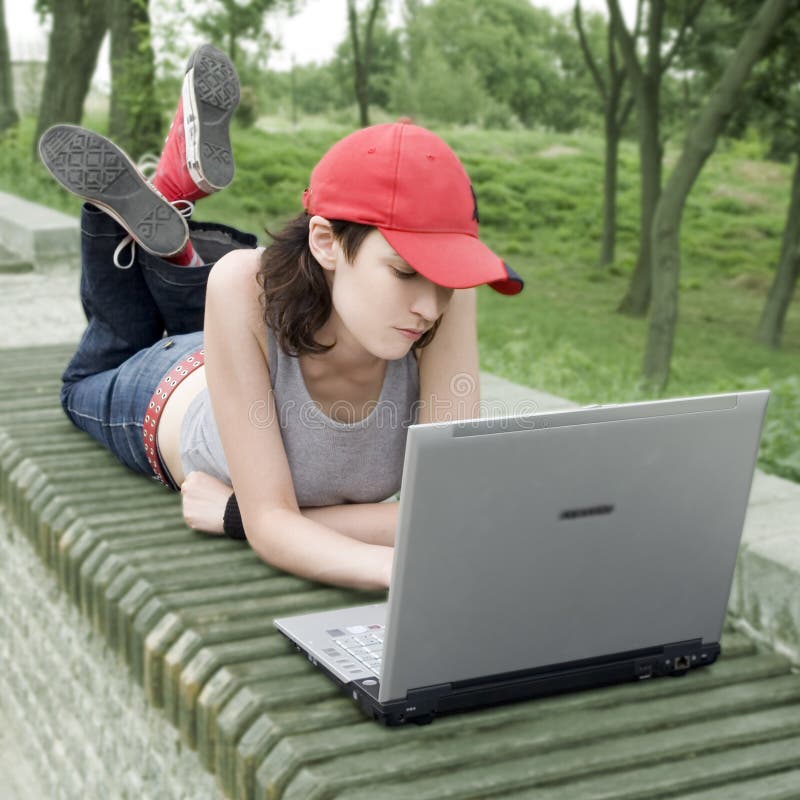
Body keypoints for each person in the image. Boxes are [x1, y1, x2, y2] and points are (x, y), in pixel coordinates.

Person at [39, 44, 524, 592]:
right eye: (406, 272)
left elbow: (446, 514)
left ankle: (174, 206)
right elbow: (284, 526)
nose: (429, 306)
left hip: (249, 351)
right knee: (100, 359)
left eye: (446, 277)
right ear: (325, 241)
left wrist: (247, 517)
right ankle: (154, 214)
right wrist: (417, 572)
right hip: (160, 393)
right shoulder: (245, 285)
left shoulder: (441, 303)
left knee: (241, 298)